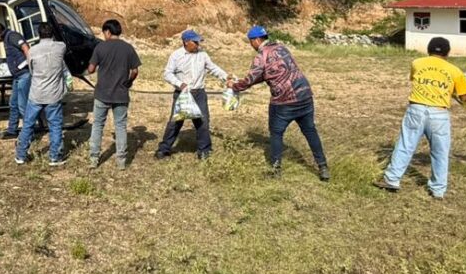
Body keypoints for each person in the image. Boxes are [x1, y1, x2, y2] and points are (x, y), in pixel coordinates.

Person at [374, 36, 466, 198]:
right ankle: (438, 189)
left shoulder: (417, 63)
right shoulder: (455, 71)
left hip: (416, 108)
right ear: (448, 52)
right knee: (440, 151)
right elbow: (464, 97)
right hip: (439, 113)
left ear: (428, 50)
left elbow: (417, 79)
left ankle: (392, 179)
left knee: (405, 145)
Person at [229, 26, 329, 180]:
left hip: (284, 101)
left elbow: (250, 79)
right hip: (304, 95)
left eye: (251, 42)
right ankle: (323, 167)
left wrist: (234, 86)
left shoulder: (261, 56)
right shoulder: (282, 48)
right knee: (310, 131)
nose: (251, 45)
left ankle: (275, 170)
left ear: (256, 40)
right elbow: (277, 71)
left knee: (276, 134)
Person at [155, 29, 229, 161]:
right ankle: (164, 149)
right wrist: (179, 84)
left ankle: (204, 151)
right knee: (175, 122)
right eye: (195, 42)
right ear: (186, 42)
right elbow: (167, 73)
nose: (197, 45)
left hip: (199, 93)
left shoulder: (203, 55)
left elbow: (213, 68)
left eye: (198, 42)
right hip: (182, 93)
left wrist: (226, 77)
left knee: (203, 122)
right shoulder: (176, 55)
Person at [86, 19, 142, 170]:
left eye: (104, 32)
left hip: (102, 93)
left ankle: (93, 159)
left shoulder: (100, 47)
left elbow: (91, 69)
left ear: (108, 32)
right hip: (121, 94)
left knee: (97, 125)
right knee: (120, 126)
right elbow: (135, 71)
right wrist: (128, 82)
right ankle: (121, 162)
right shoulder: (128, 48)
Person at [15, 22, 68, 166]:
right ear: (52, 34)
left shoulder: (32, 51)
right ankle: (54, 157)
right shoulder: (60, 47)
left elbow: (31, 70)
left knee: (28, 124)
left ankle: (20, 155)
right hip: (53, 94)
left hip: (36, 93)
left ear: (38, 34)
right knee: (55, 125)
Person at [0, 22, 31, 137]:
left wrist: (30, 64)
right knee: (13, 103)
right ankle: (12, 130)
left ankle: (28, 133)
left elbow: (25, 47)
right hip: (17, 76)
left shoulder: (12, 36)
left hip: (24, 75)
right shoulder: (7, 39)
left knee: (22, 106)